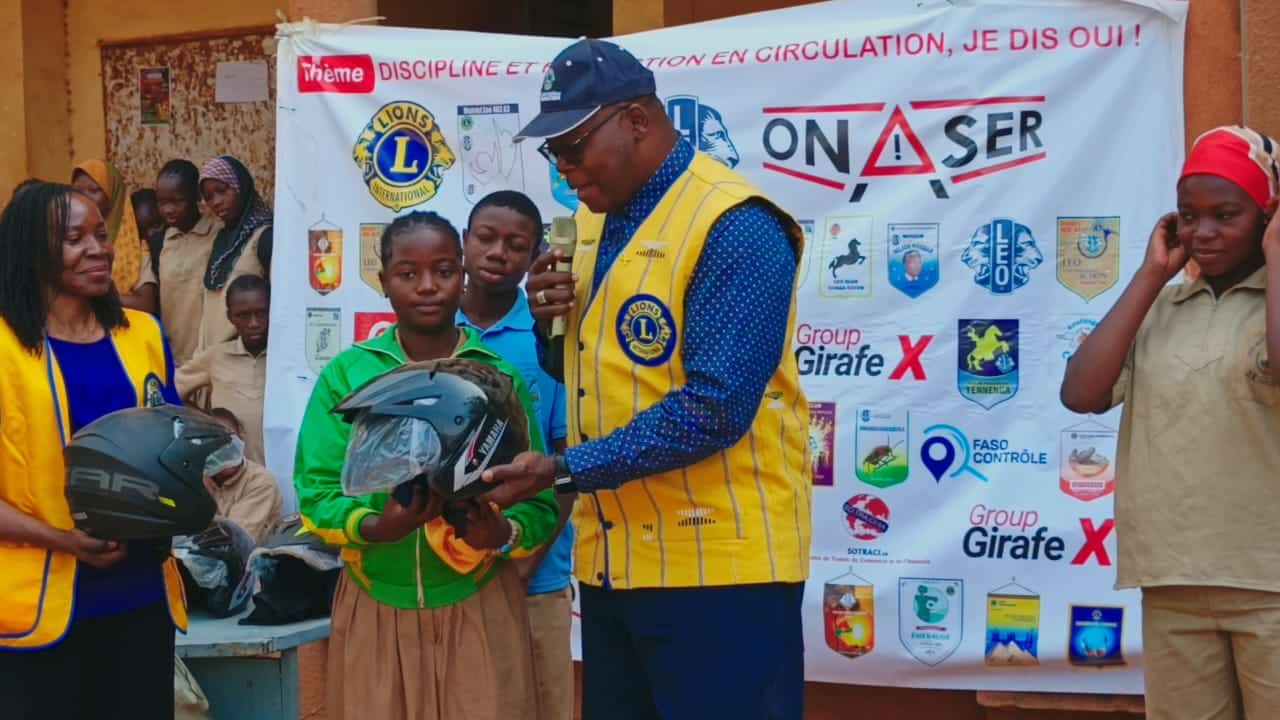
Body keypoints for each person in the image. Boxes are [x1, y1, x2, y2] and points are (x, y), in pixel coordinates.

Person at [482, 38, 811, 720]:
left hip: (721, 577)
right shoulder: (600, 222)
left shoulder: (736, 225)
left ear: (636, 121)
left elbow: (715, 409)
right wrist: (552, 331)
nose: (565, 167)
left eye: (574, 145)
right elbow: (603, 376)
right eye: (554, 151)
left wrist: (566, 470)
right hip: (616, 567)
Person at [294, 210, 559, 720]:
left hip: (479, 604)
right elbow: (317, 492)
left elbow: (539, 499)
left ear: (463, 275)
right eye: (408, 274)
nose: (428, 287)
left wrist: (499, 531)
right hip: (376, 605)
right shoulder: (348, 376)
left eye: (443, 270)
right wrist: (378, 525)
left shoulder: (497, 378)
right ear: (383, 282)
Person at [1061, 125, 1280, 720]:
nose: (1202, 232)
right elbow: (1081, 393)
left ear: (1267, 215)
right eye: (1189, 215)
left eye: (1225, 214)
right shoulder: (1161, 309)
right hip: (1174, 580)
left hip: (1270, 584)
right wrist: (1151, 276)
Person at [0, 181, 187, 718]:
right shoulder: (8, 350)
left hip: (139, 596)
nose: (98, 248)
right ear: (31, 251)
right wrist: (62, 539)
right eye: (73, 238)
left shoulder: (142, 334)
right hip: (35, 611)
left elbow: (167, 443)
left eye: (101, 235)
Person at [457, 190, 574, 719]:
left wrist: (526, 558)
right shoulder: (430, 329)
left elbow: (570, 460)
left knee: (542, 705)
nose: (498, 252)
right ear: (463, 243)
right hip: (444, 572)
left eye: (515, 244)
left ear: (533, 258)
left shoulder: (551, 338)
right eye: (485, 237)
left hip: (533, 575)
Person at [177, 274, 270, 464]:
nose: (253, 323)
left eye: (261, 313)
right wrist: (208, 421)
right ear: (230, 317)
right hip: (231, 472)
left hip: (281, 467)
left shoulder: (284, 359)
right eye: (243, 315)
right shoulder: (216, 356)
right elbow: (172, 390)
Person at [198, 155, 272, 355]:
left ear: (241, 186)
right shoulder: (222, 239)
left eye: (222, 191)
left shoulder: (264, 238)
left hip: (245, 359)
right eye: (209, 197)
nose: (217, 202)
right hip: (212, 358)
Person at [156, 159, 222, 365]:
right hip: (171, 356)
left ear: (196, 197)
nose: (168, 209)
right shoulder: (160, 241)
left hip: (205, 355)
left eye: (177, 201)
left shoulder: (218, 235)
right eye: (162, 202)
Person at [71, 159, 158, 313]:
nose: (85, 197)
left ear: (113, 195)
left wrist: (94, 294)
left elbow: (145, 304)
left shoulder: (135, 246)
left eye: (94, 190)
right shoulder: (63, 242)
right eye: (78, 191)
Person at [202, 408, 283, 544]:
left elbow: (234, 542)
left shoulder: (259, 481)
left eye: (230, 439)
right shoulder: (198, 476)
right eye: (215, 440)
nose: (225, 448)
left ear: (240, 439)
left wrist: (207, 498)